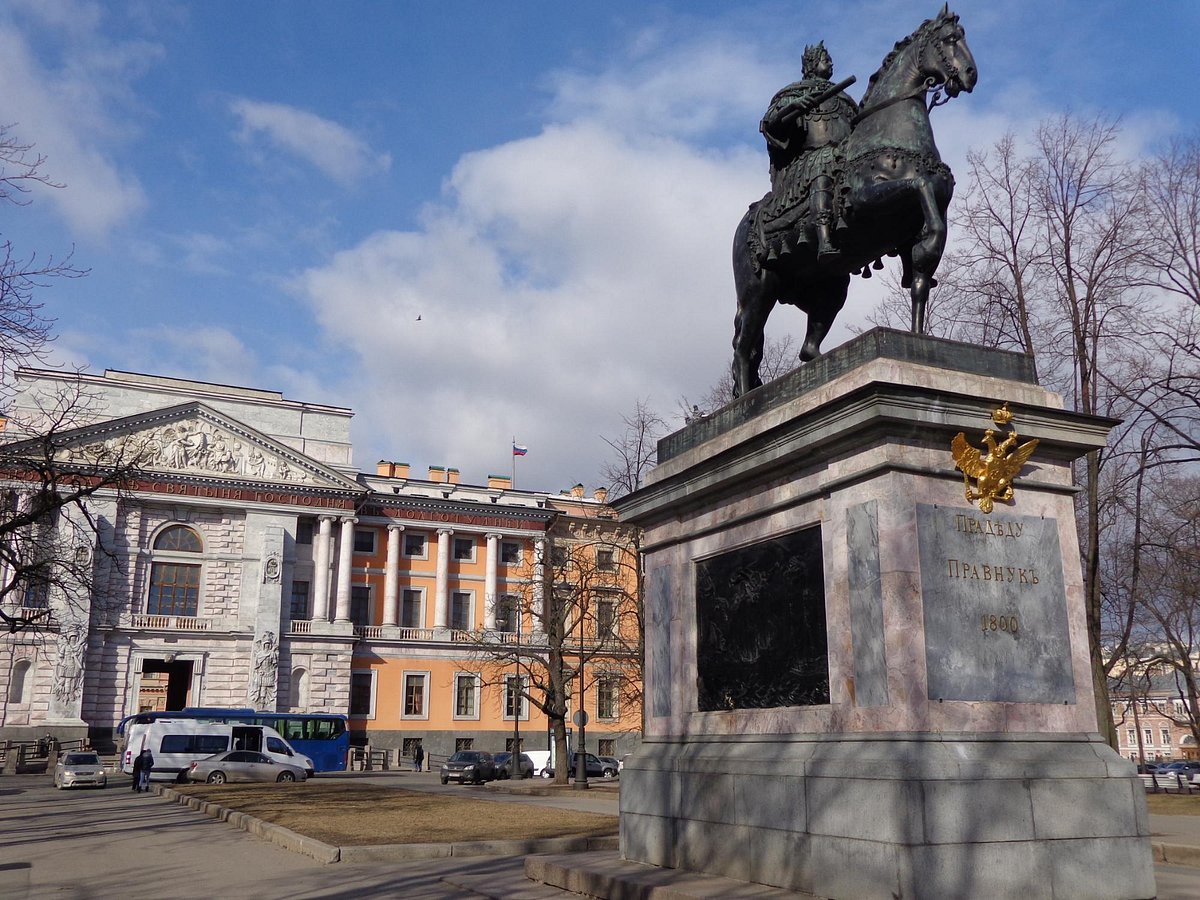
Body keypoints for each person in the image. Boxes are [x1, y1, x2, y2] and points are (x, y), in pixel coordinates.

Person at [758, 41, 858, 261]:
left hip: (845, 154)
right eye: (825, 58)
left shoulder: (845, 99)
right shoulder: (793, 94)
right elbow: (771, 124)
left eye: (830, 59)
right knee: (824, 161)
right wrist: (793, 107)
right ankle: (824, 238)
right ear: (812, 64)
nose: (830, 63)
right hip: (809, 160)